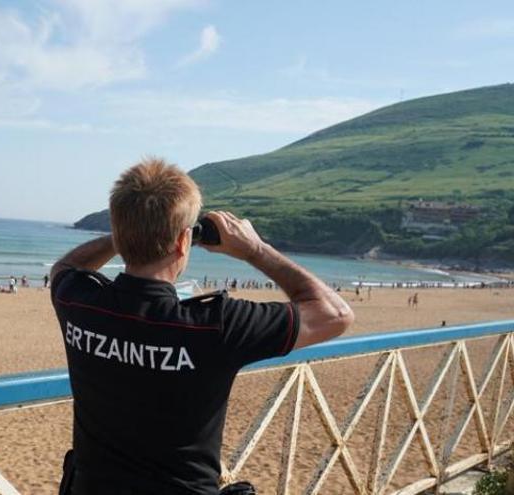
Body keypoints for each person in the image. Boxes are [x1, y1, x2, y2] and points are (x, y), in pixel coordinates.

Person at [50, 158, 353, 495]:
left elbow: (65, 266)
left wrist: (126, 234)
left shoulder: (79, 303)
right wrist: (255, 250)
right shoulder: (215, 325)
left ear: (121, 233)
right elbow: (335, 314)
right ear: (183, 242)